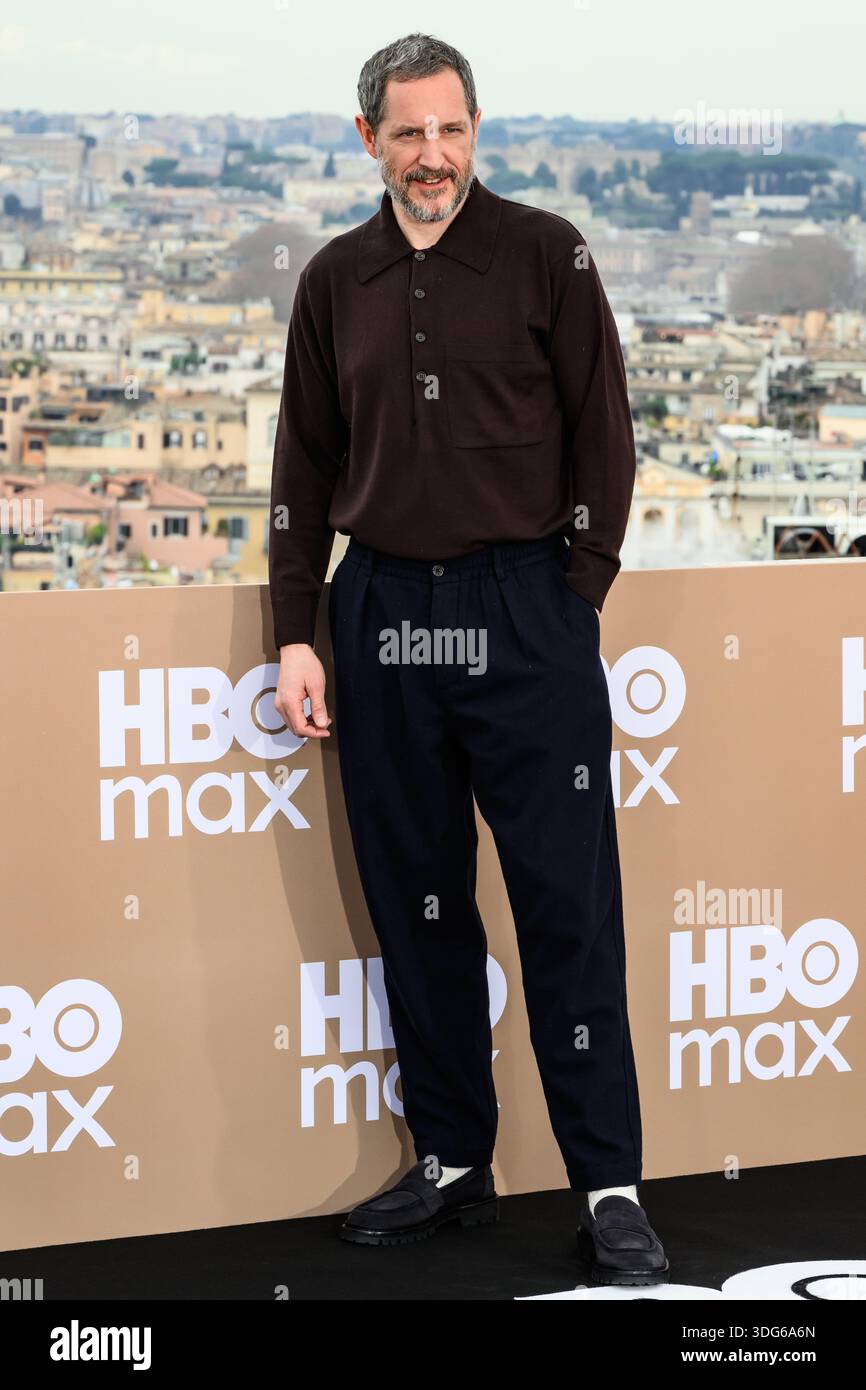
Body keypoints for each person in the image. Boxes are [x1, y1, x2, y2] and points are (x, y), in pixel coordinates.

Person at [269, 32, 668, 1286]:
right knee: (418, 904)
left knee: (567, 911)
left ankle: (608, 1185)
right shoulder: (334, 279)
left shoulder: (549, 253)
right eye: (407, 133)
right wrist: (296, 630)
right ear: (368, 140)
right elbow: (300, 468)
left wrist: (572, 600)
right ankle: (450, 1160)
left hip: (523, 612)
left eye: (449, 129)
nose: (430, 154)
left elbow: (604, 434)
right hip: (380, 615)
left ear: (476, 129)